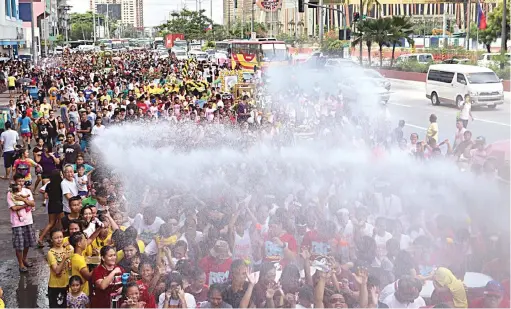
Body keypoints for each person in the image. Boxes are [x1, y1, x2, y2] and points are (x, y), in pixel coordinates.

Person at [7, 174, 36, 272]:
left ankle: (24, 259)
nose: (21, 183)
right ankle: (20, 263)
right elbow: (14, 208)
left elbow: (33, 203)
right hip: (17, 222)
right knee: (19, 244)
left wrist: (23, 200)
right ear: (15, 181)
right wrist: (26, 204)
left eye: (22, 181)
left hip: (28, 221)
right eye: (19, 181)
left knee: (27, 242)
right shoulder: (10, 193)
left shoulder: (27, 191)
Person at [37, 170, 64, 247]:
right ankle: (58, 237)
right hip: (59, 205)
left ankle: (41, 238)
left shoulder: (49, 185)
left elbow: (45, 195)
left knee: (51, 223)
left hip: (51, 205)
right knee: (60, 222)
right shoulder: (61, 184)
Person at [47, 228, 72, 308]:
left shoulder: (66, 249)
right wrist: (64, 259)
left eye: (61, 237)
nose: (59, 240)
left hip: (66, 284)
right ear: (51, 239)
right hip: (55, 286)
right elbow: (57, 271)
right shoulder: (50, 253)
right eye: (56, 238)